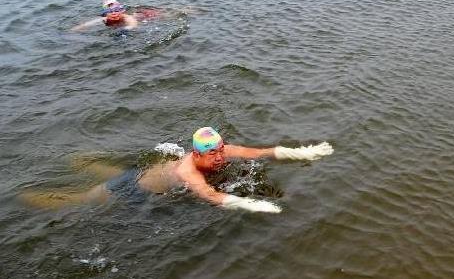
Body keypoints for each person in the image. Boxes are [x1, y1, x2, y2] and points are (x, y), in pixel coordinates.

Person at [20, 127, 334, 213]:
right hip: (132, 191)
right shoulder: (188, 171)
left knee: (120, 171)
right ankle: (26, 197)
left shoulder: (221, 151)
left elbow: (262, 152)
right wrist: (256, 204)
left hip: (144, 171)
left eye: (221, 150)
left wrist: (303, 152)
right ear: (195, 154)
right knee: (81, 200)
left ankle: (80, 161)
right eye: (212, 154)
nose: (220, 158)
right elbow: (209, 195)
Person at [71, 0, 163, 32]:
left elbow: (133, 24)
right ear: (106, 14)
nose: (114, 13)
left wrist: (125, 29)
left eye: (116, 11)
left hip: (143, 18)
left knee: (152, 16)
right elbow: (86, 24)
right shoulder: (104, 19)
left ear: (122, 11)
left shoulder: (127, 17)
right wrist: (73, 30)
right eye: (111, 12)